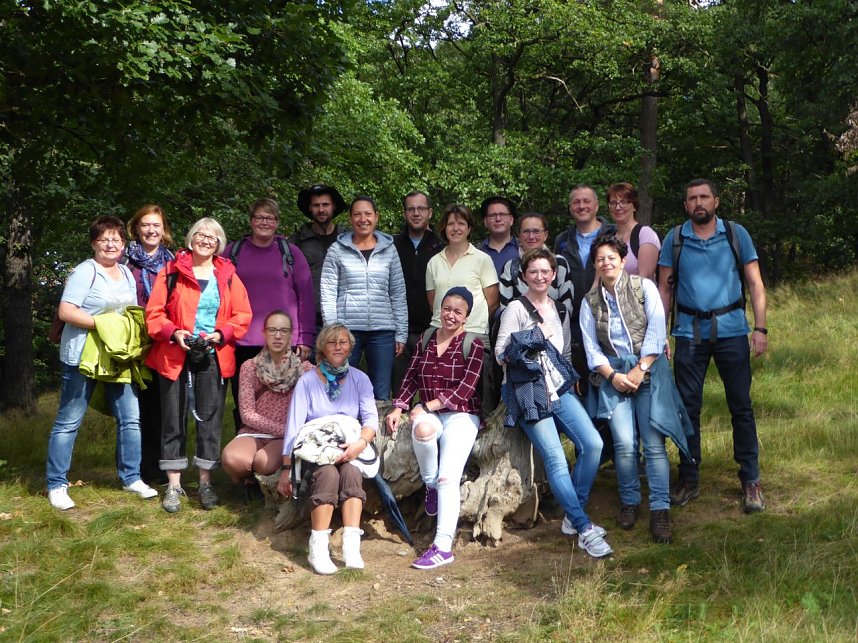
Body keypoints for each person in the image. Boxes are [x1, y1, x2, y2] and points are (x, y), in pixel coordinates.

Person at [658, 179, 768, 513]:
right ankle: (689, 478)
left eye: (704, 196)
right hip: (688, 333)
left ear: (716, 201)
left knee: (741, 406)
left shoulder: (736, 234)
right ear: (686, 204)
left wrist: (760, 328)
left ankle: (750, 480)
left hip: (733, 330)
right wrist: (660, 334)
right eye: (692, 198)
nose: (698, 202)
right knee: (687, 408)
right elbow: (665, 290)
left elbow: (755, 284)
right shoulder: (675, 239)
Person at [496, 248, 611, 558]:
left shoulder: (560, 308)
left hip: (558, 388)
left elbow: (562, 352)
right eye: (533, 271)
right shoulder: (515, 310)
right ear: (523, 276)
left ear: (553, 274)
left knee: (593, 445)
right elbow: (500, 354)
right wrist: (534, 338)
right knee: (556, 459)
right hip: (527, 392)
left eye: (545, 271)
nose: (540, 276)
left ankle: (573, 516)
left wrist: (570, 378)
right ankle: (584, 528)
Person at [581, 236, 692, 543]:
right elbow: (592, 349)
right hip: (613, 376)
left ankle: (660, 508)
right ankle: (630, 501)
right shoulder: (589, 302)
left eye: (611, 257)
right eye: (600, 259)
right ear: (595, 264)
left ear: (621, 258)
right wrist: (613, 376)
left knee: (654, 442)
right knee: (624, 444)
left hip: (648, 371)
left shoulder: (645, 288)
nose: (606, 263)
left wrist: (640, 368)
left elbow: (657, 332)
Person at [46, 216, 157, 510]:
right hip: (81, 356)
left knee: (130, 418)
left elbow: (131, 312)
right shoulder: (86, 271)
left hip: (117, 357)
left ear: (123, 244)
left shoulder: (125, 272)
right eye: (104, 239)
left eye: (116, 239)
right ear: (94, 242)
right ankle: (57, 484)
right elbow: (67, 311)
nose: (111, 244)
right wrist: (103, 324)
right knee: (69, 421)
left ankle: (131, 478)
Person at [145, 218, 252, 513]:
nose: (206, 240)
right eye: (200, 235)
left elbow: (242, 315)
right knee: (172, 419)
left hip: (213, 354)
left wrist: (221, 335)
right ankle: (174, 485)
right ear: (191, 238)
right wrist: (174, 332)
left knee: (210, 420)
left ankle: (206, 482)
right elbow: (154, 314)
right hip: (174, 355)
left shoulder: (228, 274)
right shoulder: (170, 272)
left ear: (219, 243)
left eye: (212, 236)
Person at [386, 287, 484, 570]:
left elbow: (465, 391)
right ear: (439, 309)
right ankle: (429, 486)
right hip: (431, 414)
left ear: (466, 317)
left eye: (458, 311)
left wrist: (427, 406)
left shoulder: (472, 344)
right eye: (447, 308)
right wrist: (399, 406)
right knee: (422, 432)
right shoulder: (426, 339)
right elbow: (412, 376)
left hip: (462, 415)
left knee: (448, 478)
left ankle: (442, 546)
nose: (451, 315)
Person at [277, 324, 378, 575]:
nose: (338, 347)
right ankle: (318, 547)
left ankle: (351, 545)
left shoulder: (360, 379)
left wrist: (360, 444)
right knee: (328, 475)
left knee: (352, 473)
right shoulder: (307, 381)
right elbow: (294, 426)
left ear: (351, 348)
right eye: (332, 342)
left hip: (349, 448)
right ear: (322, 347)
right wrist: (286, 467)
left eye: (343, 342)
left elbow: (371, 419)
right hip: (316, 451)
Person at [223, 198, 315, 431]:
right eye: (259, 217)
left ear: (277, 222)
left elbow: (306, 295)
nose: (264, 222)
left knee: (286, 398)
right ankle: (246, 450)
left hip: (283, 340)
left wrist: (305, 337)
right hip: (242, 339)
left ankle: (283, 452)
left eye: (270, 218)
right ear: (250, 220)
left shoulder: (290, 253)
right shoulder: (233, 252)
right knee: (244, 399)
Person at [320, 195, 407, 401]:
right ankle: (343, 429)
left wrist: (401, 332)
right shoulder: (337, 250)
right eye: (357, 214)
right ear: (350, 219)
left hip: (383, 332)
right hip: (346, 330)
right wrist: (332, 332)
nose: (363, 219)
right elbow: (328, 292)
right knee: (340, 385)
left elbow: (397, 292)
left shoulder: (389, 250)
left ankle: (375, 432)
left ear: (376, 217)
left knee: (381, 390)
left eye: (368, 214)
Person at [221, 310, 313, 500]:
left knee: (263, 462)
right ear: (263, 333)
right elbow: (246, 413)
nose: (277, 336)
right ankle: (249, 481)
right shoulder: (249, 367)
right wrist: (283, 429)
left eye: (283, 330)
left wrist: (290, 432)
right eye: (272, 330)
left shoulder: (306, 370)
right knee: (232, 459)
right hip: (255, 431)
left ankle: (263, 478)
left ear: (291, 334)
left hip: (287, 436)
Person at [426, 204, 499, 413]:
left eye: (461, 223)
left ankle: (482, 431)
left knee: (480, 390)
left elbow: (492, 300)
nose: (455, 228)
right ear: (444, 228)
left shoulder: (482, 259)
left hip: (474, 332)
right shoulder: (433, 262)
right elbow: (433, 301)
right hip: (440, 332)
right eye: (451, 223)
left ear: (469, 228)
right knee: (439, 386)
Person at [122, 204, 176, 484]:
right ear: (136, 228)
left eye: (156, 225)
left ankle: (158, 467)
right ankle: (132, 469)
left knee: (160, 405)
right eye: (145, 225)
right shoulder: (123, 259)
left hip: (163, 340)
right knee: (132, 408)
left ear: (163, 229)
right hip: (130, 341)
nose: (151, 230)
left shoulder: (174, 262)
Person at [553, 185, 617, 385]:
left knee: (608, 376)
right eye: (576, 202)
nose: (582, 206)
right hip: (572, 321)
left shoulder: (613, 235)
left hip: (607, 317)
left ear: (597, 206)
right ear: (570, 207)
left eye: (586, 201)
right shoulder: (562, 240)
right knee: (578, 379)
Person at [392, 190, 444, 394]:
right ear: (404, 213)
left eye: (421, 208)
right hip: (399, 333)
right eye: (411, 209)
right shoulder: (392, 245)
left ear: (430, 212)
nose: (416, 213)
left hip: (432, 330)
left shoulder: (441, 246)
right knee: (398, 393)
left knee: (432, 393)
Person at [291, 184, 348, 332]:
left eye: (325, 204)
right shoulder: (297, 241)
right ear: (310, 208)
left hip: (345, 319)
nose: (321, 209)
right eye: (316, 205)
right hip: (308, 320)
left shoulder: (347, 240)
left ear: (333, 206)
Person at [497, 212, 574, 321]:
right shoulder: (511, 267)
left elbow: (567, 305)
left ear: (545, 235)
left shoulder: (559, 263)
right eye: (526, 232)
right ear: (519, 235)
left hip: (554, 329)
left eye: (536, 231)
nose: (531, 236)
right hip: (521, 333)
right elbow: (505, 309)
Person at [606, 182, 661, 281]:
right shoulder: (608, 238)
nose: (618, 207)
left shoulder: (645, 234)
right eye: (613, 203)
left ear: (634, 206)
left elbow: (645, 278)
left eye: (623, 202)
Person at [478, 195, 519, 276]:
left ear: (511, 220)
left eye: (502, 214)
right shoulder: (475, 251)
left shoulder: (523, 249)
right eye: (492, 215)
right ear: (485, 222)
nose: (498, 219)